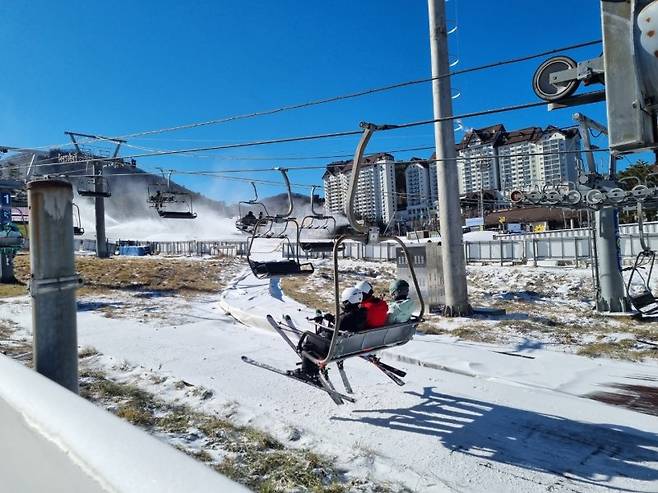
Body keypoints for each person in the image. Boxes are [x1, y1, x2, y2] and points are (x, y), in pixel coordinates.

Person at [297, 287, 366, 378]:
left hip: (333, 346)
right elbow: (343, 323)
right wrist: (333, 319)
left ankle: (307, 372)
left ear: (348, 302)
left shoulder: (346, 317)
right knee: (317, 337)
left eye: (344, 302)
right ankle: (313, 369)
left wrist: (331, 321)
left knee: (310, 339)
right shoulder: (362, 314)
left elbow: (336, 327)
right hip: (347, 346)